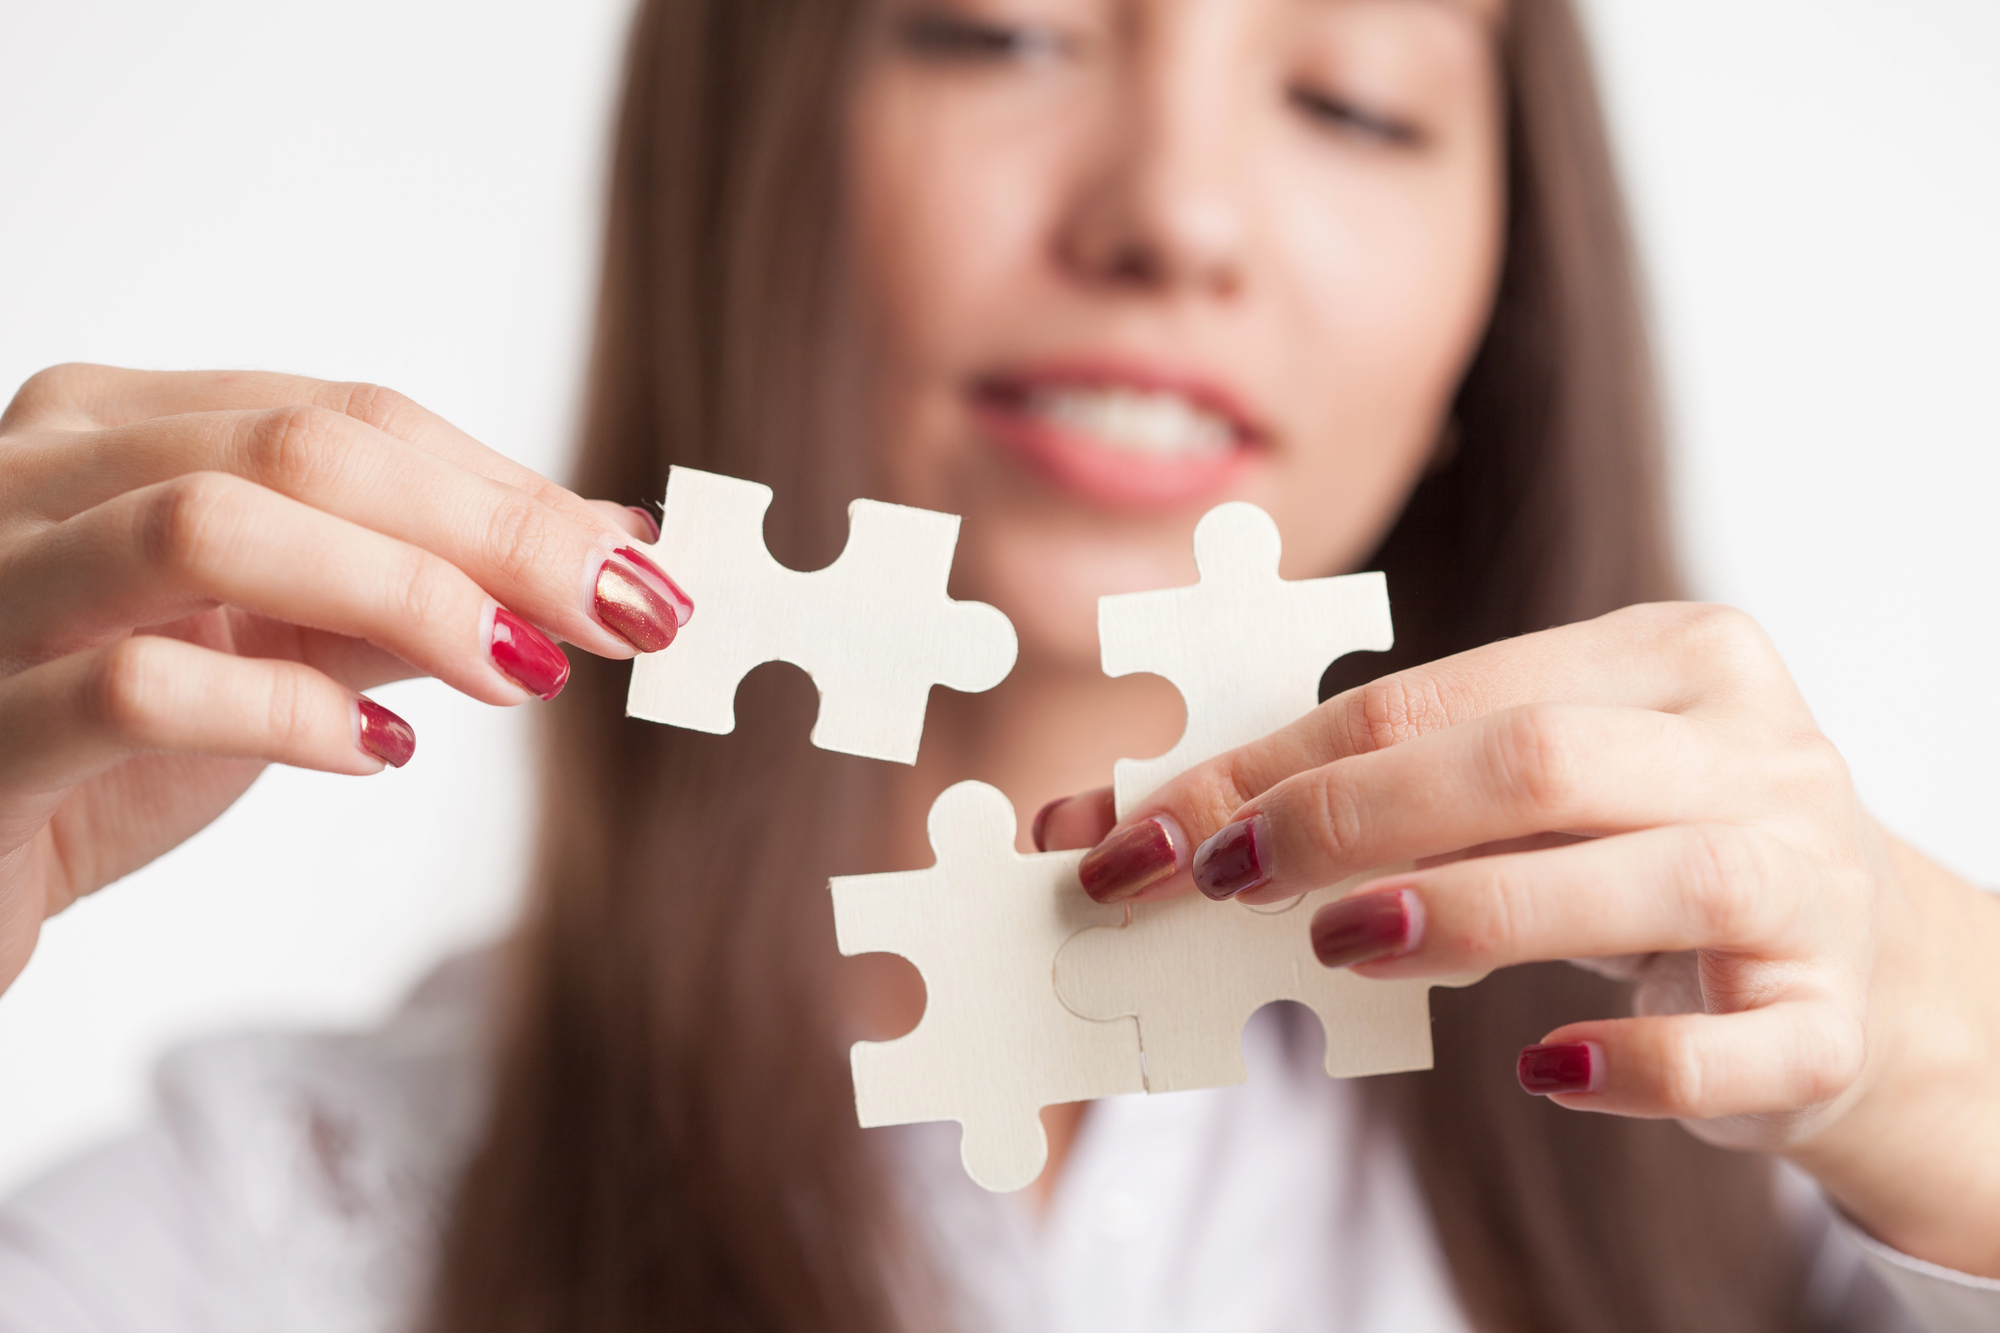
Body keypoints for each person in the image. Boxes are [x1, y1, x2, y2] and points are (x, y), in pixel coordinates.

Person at [0, 1, 1995, 1329]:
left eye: (1351, 97)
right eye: (1002, 26)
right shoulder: (265, 1238)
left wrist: (1966, 1069)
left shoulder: (1788, 1225)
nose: (1176, 215)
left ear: (1505, 293)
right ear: (734, 168)